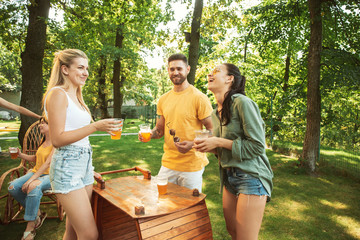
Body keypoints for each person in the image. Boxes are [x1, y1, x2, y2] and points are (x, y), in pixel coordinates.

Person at [43, 49, 120, 240]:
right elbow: (58, 139)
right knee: (89, 234)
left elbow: (80, 138)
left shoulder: (77, 96)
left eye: (86, 68)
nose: (86, 72)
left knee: (72, 232)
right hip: (67, 166)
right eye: (80, 67)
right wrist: (95, 126)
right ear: (65, 69)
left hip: (82, 165)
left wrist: (87, 168)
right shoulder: (57, 94)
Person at [193, 63, 273, 240]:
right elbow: (222, 149)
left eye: (216, 71)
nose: (209, 74)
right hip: (229, 177)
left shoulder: (242, 103)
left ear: (230, 79)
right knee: (233, 232)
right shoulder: (216, 113)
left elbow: (258, 146)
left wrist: (218, 141)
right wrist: (205, 146)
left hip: (251, 176)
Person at [139, 53, 213, 193]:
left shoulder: (199, 98)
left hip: (192, 165)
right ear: (168, 71)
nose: (175, 72)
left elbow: (213, 131)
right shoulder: (163, 99)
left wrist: (192, 144)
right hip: (168, 164)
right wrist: (149, 134)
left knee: (189, 208)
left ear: (188, 69)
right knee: (161, 204)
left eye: (179, 68)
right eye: (172, 69)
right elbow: (159, 131)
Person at [8, 117, 53, 240]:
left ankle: (30, 226)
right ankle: (37, 213)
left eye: (43, 123)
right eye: (40, 123)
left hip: (50, 175)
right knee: (12, 187)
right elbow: (36, 159)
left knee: (33, 187)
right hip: (35, 172)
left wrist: (30, 180)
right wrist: (20, 155)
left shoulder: (57, 142)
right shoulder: (42, 141)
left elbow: (47, 164)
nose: (40, 126)